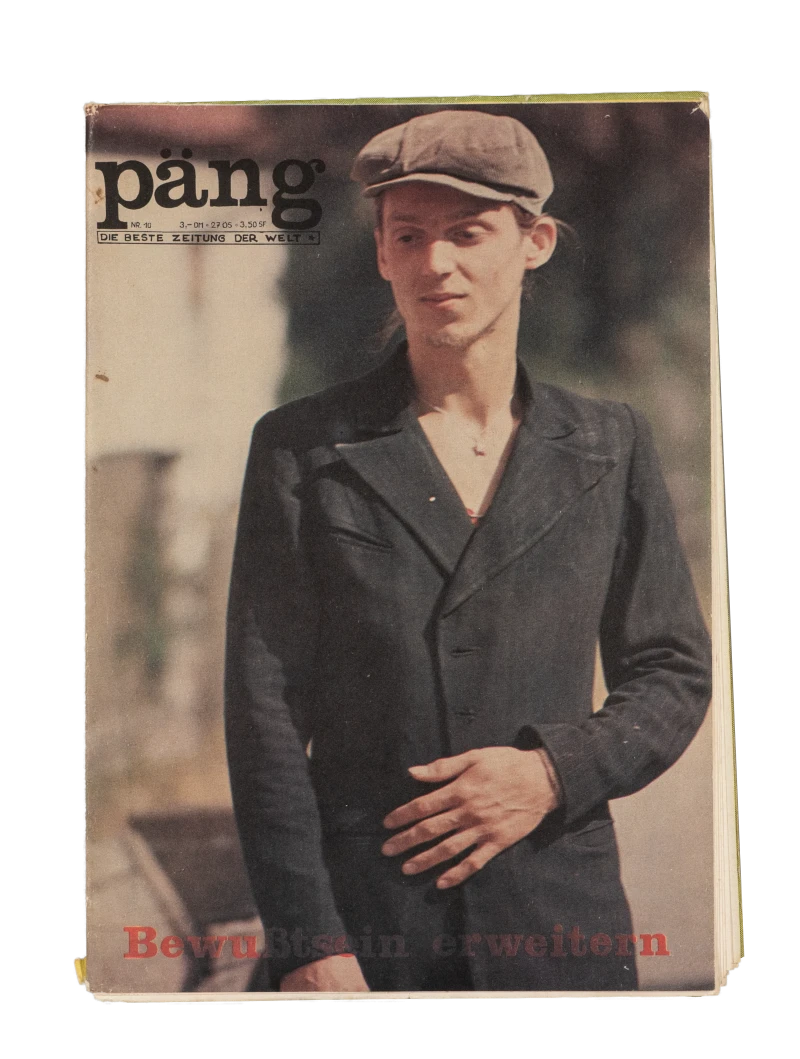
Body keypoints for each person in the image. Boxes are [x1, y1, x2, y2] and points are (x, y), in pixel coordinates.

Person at [224, 110, 712, 993]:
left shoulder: (608, 444)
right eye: (408, 235)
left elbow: (672, 671)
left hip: (559, 927)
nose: (435, 263)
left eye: (468, 232)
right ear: (381, 253)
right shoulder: (302, 448)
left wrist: (552, 772)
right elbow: (264, 714)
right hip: (368, 933)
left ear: (536, 243)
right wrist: (308, 943)